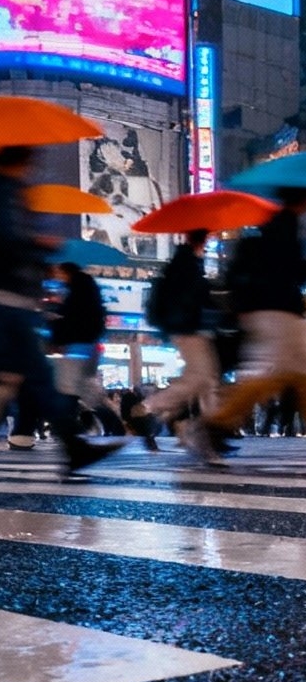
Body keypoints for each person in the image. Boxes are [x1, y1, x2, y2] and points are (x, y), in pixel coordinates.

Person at [200, 190, 306, 467]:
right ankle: (215, 424)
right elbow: (288, 271)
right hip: (280, 312)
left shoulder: (271, 226)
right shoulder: (285, 225)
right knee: (272, 377)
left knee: (304, 377)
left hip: (268, 312)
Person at [0, 148, 123, 475]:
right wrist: (38, 245)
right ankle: (74, 447)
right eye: (30, 162)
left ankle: (72, 446)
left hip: (16, 302)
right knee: (38, 379)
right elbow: (8, 243)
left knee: (21, 380)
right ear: (20, 161)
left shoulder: (15, 194)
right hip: (10, 303)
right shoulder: (7, 193)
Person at [134, 232, 220, 448]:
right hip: (189, 328)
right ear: (201, 240)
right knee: (201, 378)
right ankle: (149, 407)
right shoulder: (188, 264)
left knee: (206, 380)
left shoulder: (183, 262)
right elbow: (192, 298)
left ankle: (208, 429)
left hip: (186, 327)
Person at [51, 258, 126, 435]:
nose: (57, 277)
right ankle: (109, 424)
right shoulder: (87, 289)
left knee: (69, 388)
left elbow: (71, 319)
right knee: (84, 389)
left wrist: (58, 335)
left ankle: (70, 429)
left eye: (59, 273)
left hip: (77, 345)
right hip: (88, 344)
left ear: (66, 273)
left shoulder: (76, 292)